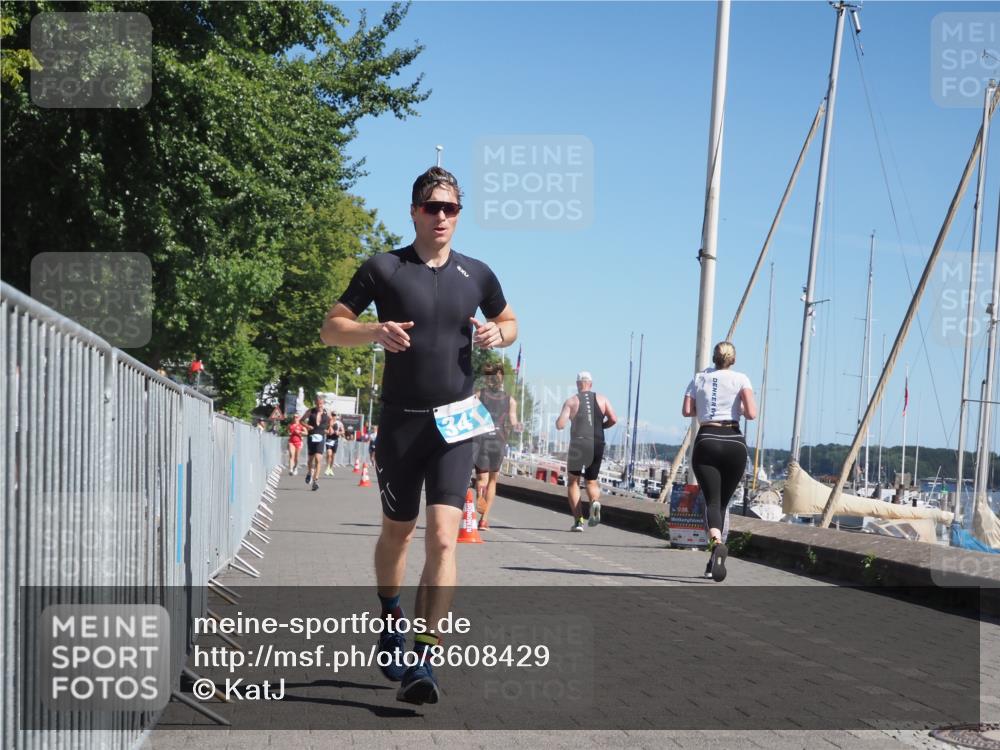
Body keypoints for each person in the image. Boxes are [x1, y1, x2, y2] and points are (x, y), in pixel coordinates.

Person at [321, 166, 517, 705]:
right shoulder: (384, 268)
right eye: (433, 207)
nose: (441, 217)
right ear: (414, 211)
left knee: (445, 537)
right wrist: (373, 330)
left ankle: (424, 659)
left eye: (451, 208)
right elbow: (331, 327)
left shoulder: (477, 274)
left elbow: (511, 322)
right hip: (402, 422)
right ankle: (390, 617)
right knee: (399, 533)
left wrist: (498, 333)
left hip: (457, 422)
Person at [682, 341, 757, 582]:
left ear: (714, 358)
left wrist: (706, 408)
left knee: (712, 503)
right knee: (723, 505)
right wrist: (738, 409)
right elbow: (752, 413)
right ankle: (713, 559)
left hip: (708, 440)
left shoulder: (699, 378)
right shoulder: (741, 379)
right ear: (733, 360)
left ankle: (716, 543)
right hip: (734, 441)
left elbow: (687, 410)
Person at [556, 372, 617, 532]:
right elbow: (613, 419)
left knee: (573, 481)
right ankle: (594, 502)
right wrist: (602, 426)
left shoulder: (571, 401)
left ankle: (578, 522)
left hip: (579, 443)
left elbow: (560, 425)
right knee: (591, 481)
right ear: (591, 384)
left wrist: (560, 420)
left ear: (577, 384)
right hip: (597, 442)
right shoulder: (602, 399)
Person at [473, 362, 519, 530]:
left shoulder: (478, 395)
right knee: (493, 480)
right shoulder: (510, 400)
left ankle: (480, 494)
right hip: (498, 441)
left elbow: (471, 416)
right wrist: (517, 427)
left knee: (482, 479)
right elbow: (513, 422)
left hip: (482, 440)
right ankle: (484, 520)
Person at [303, 396, 330, 491]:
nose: (319, 405)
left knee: (318, 459)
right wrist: (307, 426)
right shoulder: (310, 411)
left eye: (321, 403)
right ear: (315, 403)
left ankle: (315, 481)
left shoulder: (327, 412)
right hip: (311, 436)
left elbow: (331, 421)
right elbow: (301, 420)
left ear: (323, 403)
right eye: (317, 403)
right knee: (310, 459)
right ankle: (309, 473)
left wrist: (328, 429)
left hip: (321, 437)